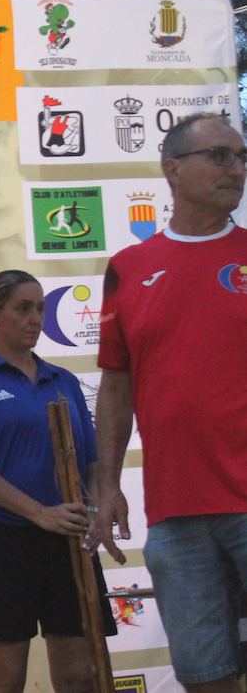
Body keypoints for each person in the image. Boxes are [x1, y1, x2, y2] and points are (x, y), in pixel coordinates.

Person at [95, 113, 247, 693]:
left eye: (241, 157)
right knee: (205, 677)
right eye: (220, 156)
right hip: (174, 512)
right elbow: (116, 386)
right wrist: (107, 486)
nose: (236, 169)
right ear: (173, 170)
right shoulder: (128, 268)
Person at [0, 270, 116, 693]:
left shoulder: (64, 379)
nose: (35, 319)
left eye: (40, 308)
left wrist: (93, 510)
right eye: (23, 309)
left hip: (68, 536)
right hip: (0, 539)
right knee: (5, 679)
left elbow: (91, 461)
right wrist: (39, 513)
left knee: (80, 677)